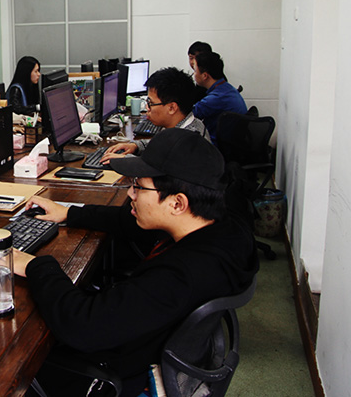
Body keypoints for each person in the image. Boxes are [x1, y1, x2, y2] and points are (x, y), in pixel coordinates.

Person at [16, 128, 258, 395]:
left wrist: (35, 266)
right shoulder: (220, 226)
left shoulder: (181, 275)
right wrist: (70, 214)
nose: (130, 194)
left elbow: (83, 326)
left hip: (118, 372)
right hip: (146, 340)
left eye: (138, 186)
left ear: (177, 203)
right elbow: (132, 222)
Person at [101, 67, 209, 164]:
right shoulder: (183, 126)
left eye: (150, 103)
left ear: (172, 108)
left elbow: (158, 165)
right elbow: (162, 145)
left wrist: (125, 159)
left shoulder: (189, 141)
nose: (147, 108)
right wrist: (136, 146)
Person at [192, 51, 247, 142]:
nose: (193, 74)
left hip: (215, 145)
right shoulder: (227, 88)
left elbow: (187, 114)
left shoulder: (217, 97)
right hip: (232, 143)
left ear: (205, 76)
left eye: (195, 71)